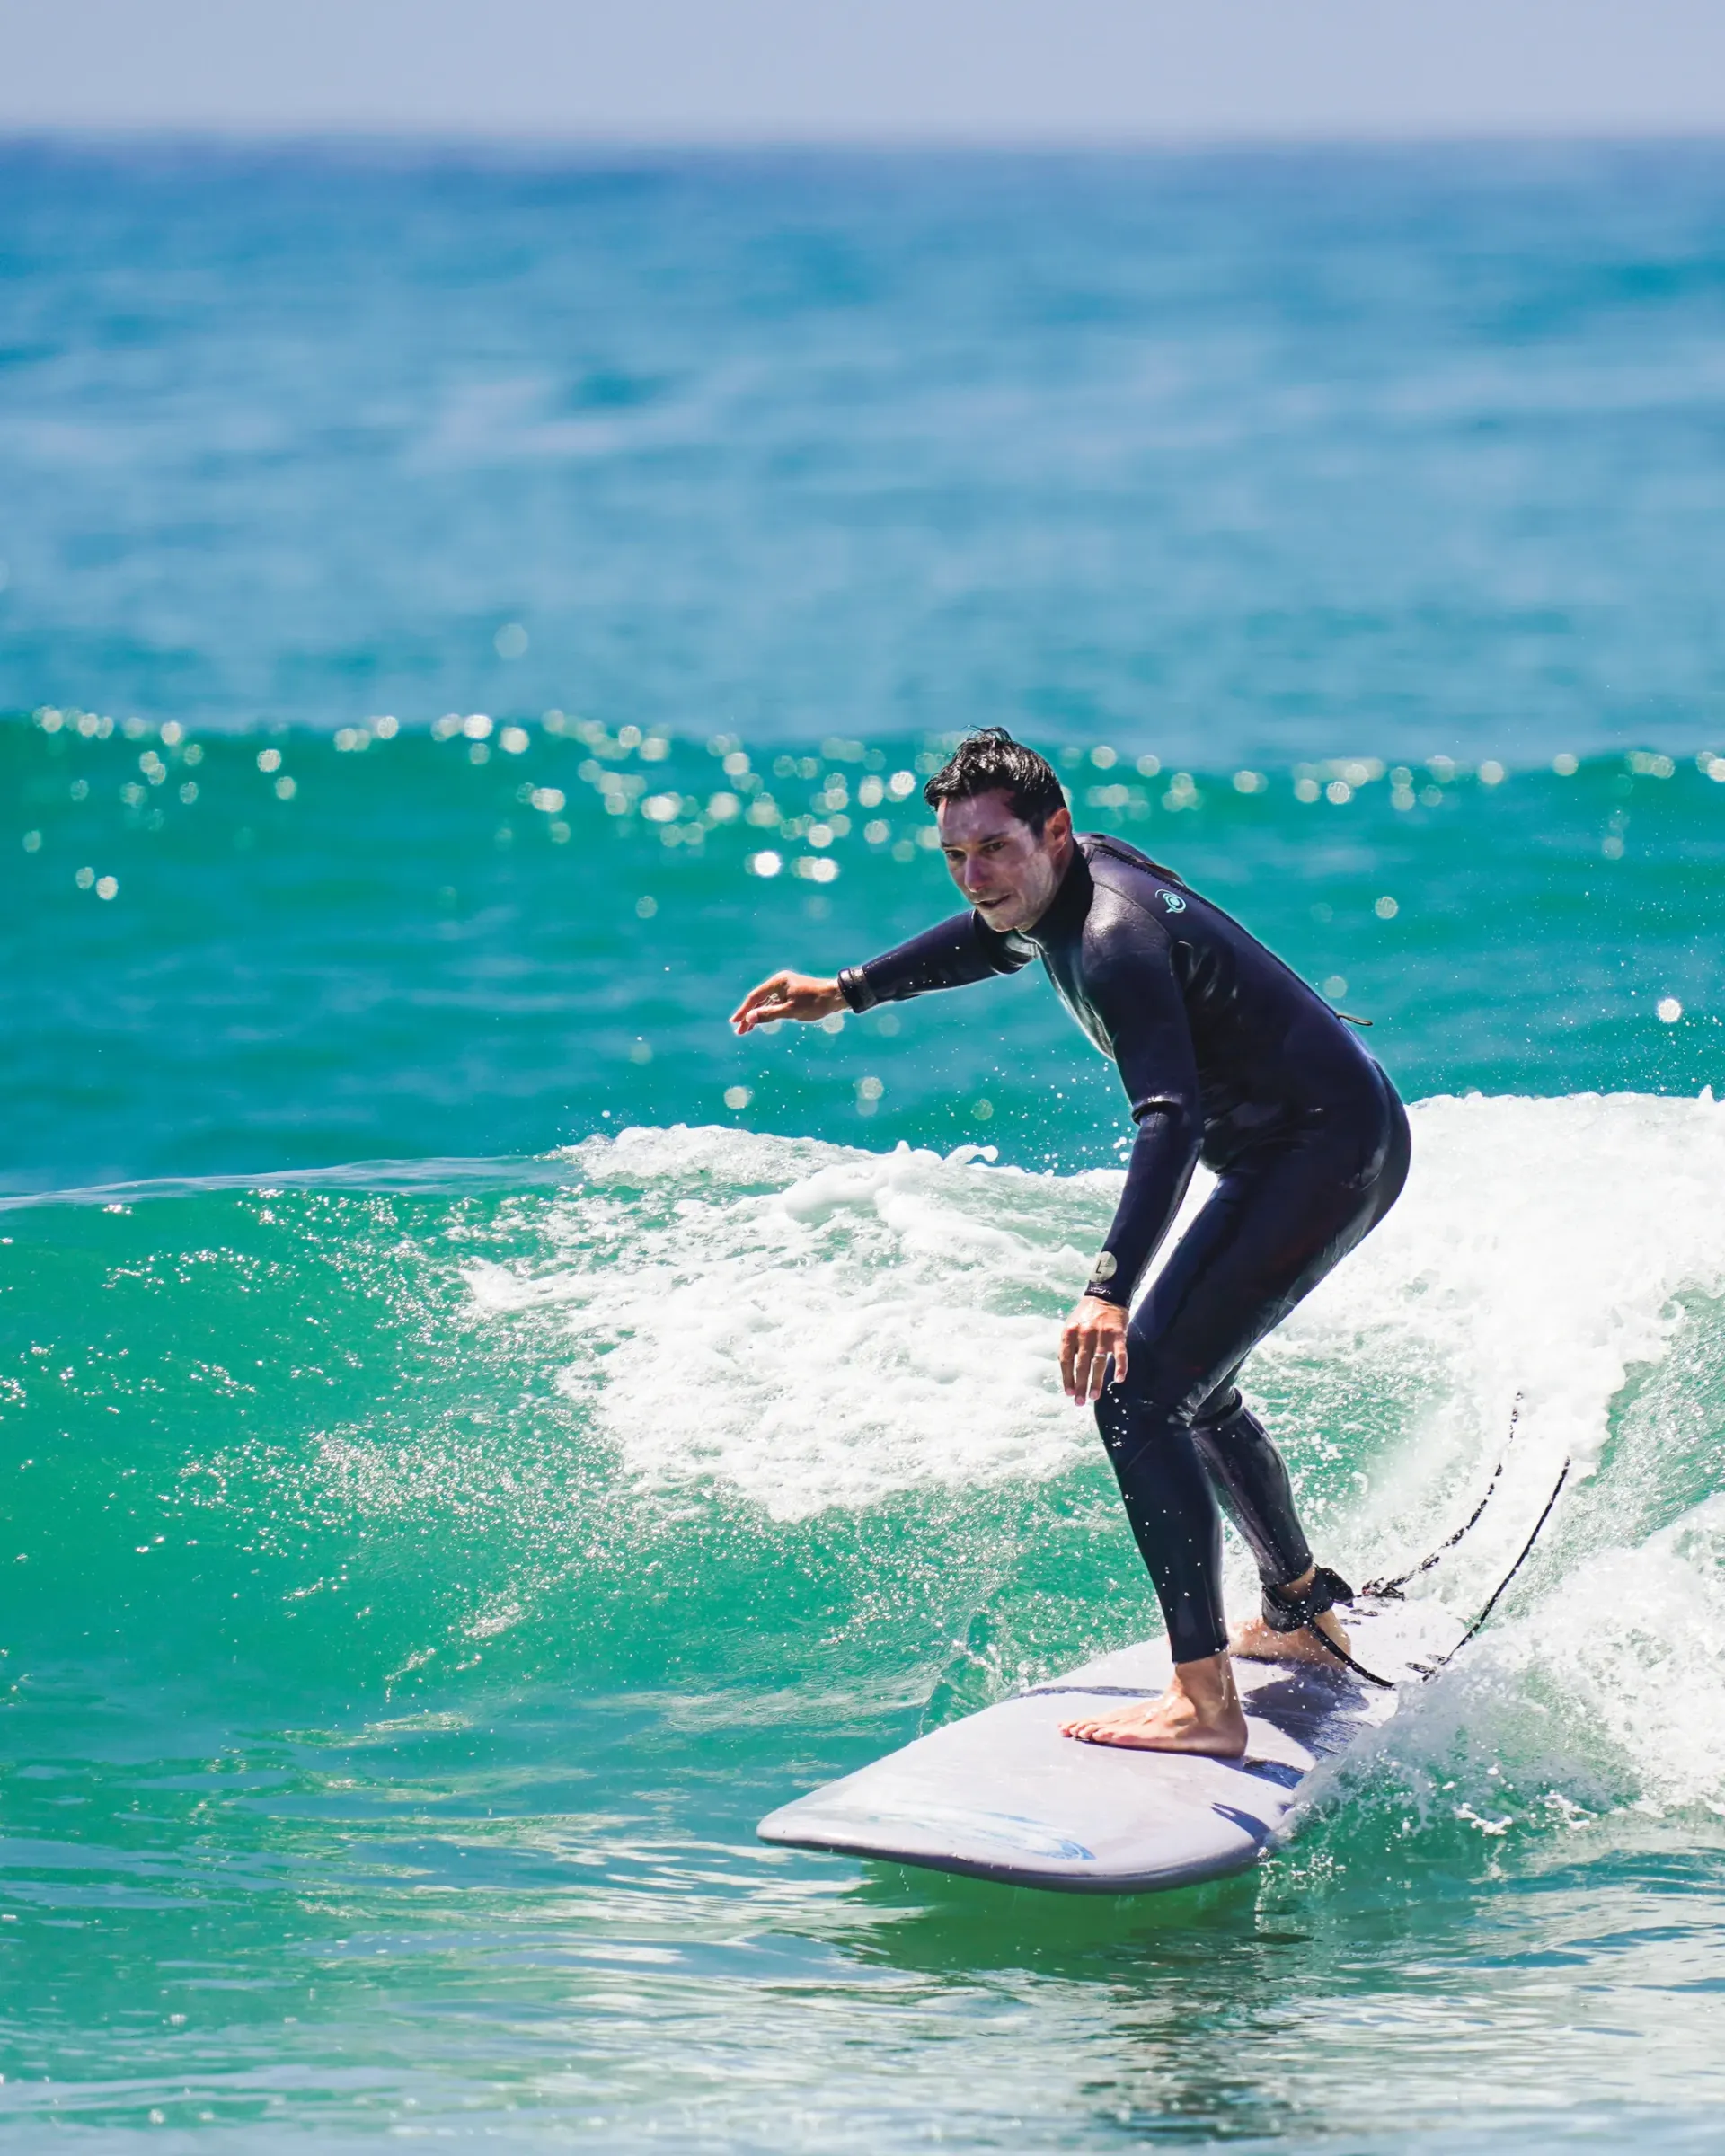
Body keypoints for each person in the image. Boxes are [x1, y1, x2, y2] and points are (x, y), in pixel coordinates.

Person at [730, 729, 1410, 1759]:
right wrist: (849, 988)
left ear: (1052, 831)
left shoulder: (1114, 940)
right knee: (1190, 1385)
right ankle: (1298, 1613)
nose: (975, 878)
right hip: (1325, 1137)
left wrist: (1109, 1290)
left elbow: (1169, 1115)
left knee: (1139, 1394)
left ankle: (1205, 1704)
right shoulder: (1066, 883)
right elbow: (992, 938)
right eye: (956, 856)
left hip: (1322, 1154)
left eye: (993, 850)